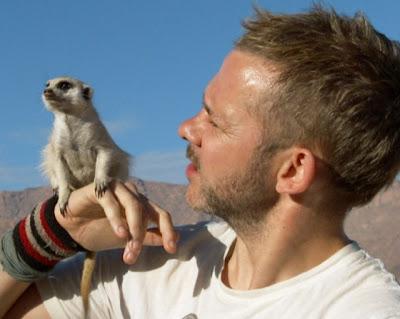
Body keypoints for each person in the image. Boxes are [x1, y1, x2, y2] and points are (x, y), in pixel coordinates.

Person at [1, 5, 400, 318]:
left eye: (214, 118)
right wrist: (53, 232)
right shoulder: (152, 267)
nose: (186, 128)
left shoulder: (363, 310)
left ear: (292, 171)